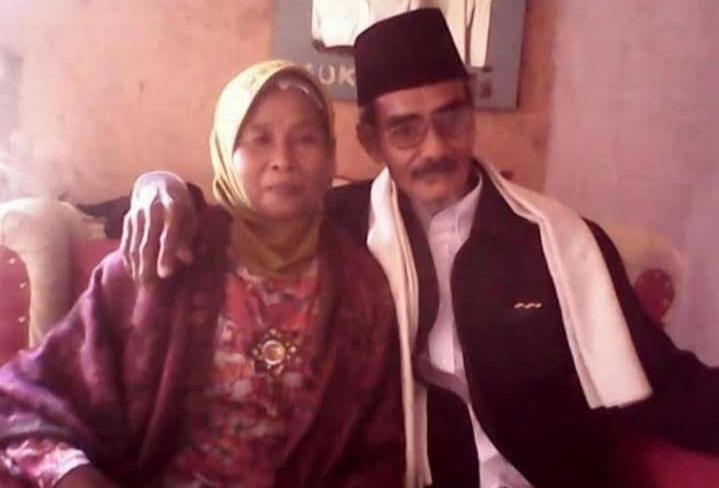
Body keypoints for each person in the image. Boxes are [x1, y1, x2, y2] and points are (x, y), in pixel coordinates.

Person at [121, 9, 719, 488]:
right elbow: (238, 219)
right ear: (370, 140)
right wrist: (162, 186)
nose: (435, 147)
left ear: (472, 115)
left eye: (451, 118)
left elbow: (664, 382)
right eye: (405, 128)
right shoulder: (336, 227)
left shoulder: (561, 242)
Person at [0, 60, 404, 488]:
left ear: (330, 154)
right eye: (259, 139)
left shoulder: (360, 286)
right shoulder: (165, 254)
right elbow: (23, 403)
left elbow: (377, 453)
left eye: (305, 139)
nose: (282, 160)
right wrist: (79, 479)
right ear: (225, 151)